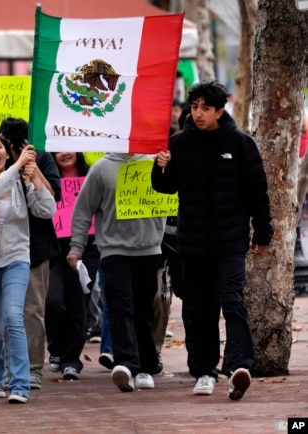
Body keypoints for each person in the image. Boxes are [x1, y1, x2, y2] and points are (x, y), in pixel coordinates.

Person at [152, 80, 274, 400]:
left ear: (220, 111)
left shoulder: (240, 143)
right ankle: (205, 370)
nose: (199, 113)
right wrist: (159, 167)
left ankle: (238, 367)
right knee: (200, 308)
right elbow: (166, 188)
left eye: (206, 108)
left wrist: (263, 233)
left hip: (230, 241)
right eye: (194, 107)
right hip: (192, 243)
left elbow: (257, 193)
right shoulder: (179, 144)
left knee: (232, 301)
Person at [0, 134, 56, 404]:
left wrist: (34, 179)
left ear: (6, 154)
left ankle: (20, 384)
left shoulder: (19, 180)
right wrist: (16, 168)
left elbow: (47, 210)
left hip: (17, 259)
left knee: (14, 317)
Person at [67, 153, 165, 393]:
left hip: (149, 249)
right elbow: (83, 208)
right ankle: (126, 364)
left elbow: (176, 193)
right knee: (120, 306)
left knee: (144, 309)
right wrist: (76, 246)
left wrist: (166, 168)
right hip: (113, 250)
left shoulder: (158, 161)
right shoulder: (101, 168)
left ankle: (146, 367)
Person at [0, 117, 61, 390]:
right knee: (5, 312)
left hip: (35, 249)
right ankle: (9, 367)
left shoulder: (43, 158)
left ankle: (34, 368)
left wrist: (33, 169)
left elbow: (52, 197)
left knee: (32, 311)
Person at [45, 152, 100, 380]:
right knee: (53, 302)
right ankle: (56, 349)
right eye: (58, 150)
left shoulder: (92, 177)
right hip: (53, 250)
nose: (64, 154)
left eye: (68, 148)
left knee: (78, 304)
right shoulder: (47, 179)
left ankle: (71, 359)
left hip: (87, 249)